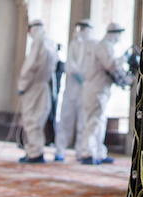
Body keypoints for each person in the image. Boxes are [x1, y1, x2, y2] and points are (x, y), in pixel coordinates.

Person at [77, 22, 126, 165]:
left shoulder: (107, 46)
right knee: (93, 121)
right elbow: (110, 64)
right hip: (95, 89)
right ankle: (87, 152)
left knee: (99, 121)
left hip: (101, 89)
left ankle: (98, 152)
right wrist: (124, 58)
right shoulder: (103, 46)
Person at [15, 19, 59, 163]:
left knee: (31, 119)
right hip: (44, 85)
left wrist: (22, 85)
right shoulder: (50, 42)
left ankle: (34, 153)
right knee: (39, 119)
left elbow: (30, 65)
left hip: (33, 86)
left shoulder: (37, 42)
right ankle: (36, 151)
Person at [54, 19, 93, 162]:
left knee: (83, 123)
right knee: (65, 121)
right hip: (71, 90)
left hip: (86, 91)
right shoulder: (73, 44)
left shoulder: (92, 46)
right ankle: (60, 151)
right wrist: (79, 76)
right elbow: (70, 66)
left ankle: (81, 151)